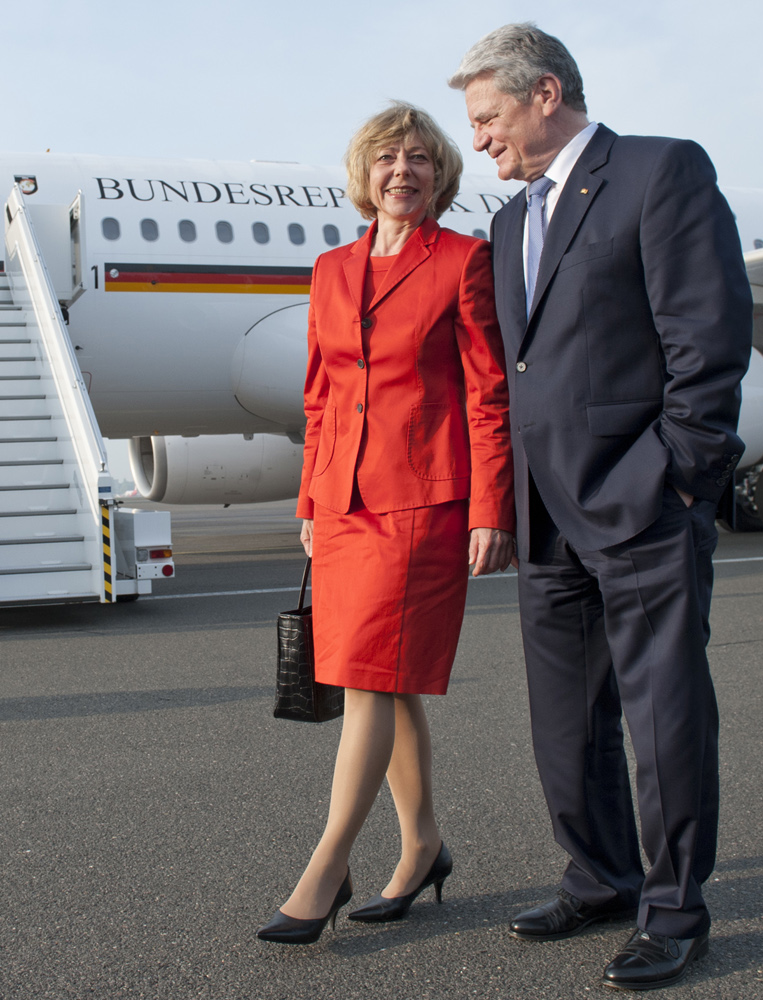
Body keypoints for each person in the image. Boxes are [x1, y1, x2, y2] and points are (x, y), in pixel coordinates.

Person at [450, 23, 751, 990]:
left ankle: (674, 909)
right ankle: (602, 876)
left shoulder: (659, 175)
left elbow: (706, 343)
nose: (481, 141)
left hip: (641, 500)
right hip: (547, 516)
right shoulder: (507, 225)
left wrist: (676, 476)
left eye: (489, 118)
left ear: (545, 95)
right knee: (563, 724)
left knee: (663, 718)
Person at [257, 102, 514, 945]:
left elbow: (488, 393)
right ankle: (424, 846)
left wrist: (491, 507)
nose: (402, 171)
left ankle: (326, 865)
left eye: (420, 159)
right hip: (342, 502)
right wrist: (308, 498)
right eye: (387, 159)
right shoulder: (332, 269)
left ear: (440, 174)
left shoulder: (465, 262)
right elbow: (321, 393)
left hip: (420, 503)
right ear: (365, 175)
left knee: (367, 679)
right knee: (386, 678)